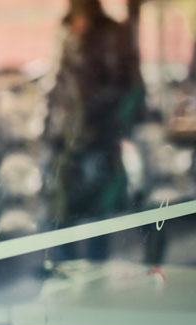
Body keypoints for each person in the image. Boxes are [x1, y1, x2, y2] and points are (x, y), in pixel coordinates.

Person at [46, 0, 144, 260]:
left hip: (96, 137)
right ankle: (65, 268)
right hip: (66, 139)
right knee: (59, 208)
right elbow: (59, 82)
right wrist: (51, 125)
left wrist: (91, 119)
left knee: (96, 211)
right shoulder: (67, 29)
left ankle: (94, 269)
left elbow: (122, 85)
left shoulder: (111, 33)